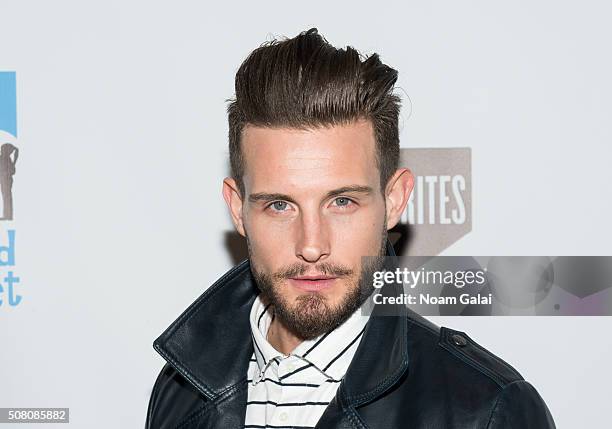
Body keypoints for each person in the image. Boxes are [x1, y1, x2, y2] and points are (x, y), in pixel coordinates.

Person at [146, 28, 556, 428]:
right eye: (279, 205)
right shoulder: (181, 390)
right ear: (238, 209)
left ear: (393, 200)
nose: (311, 246)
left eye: (341, 202)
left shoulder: (486, 410)